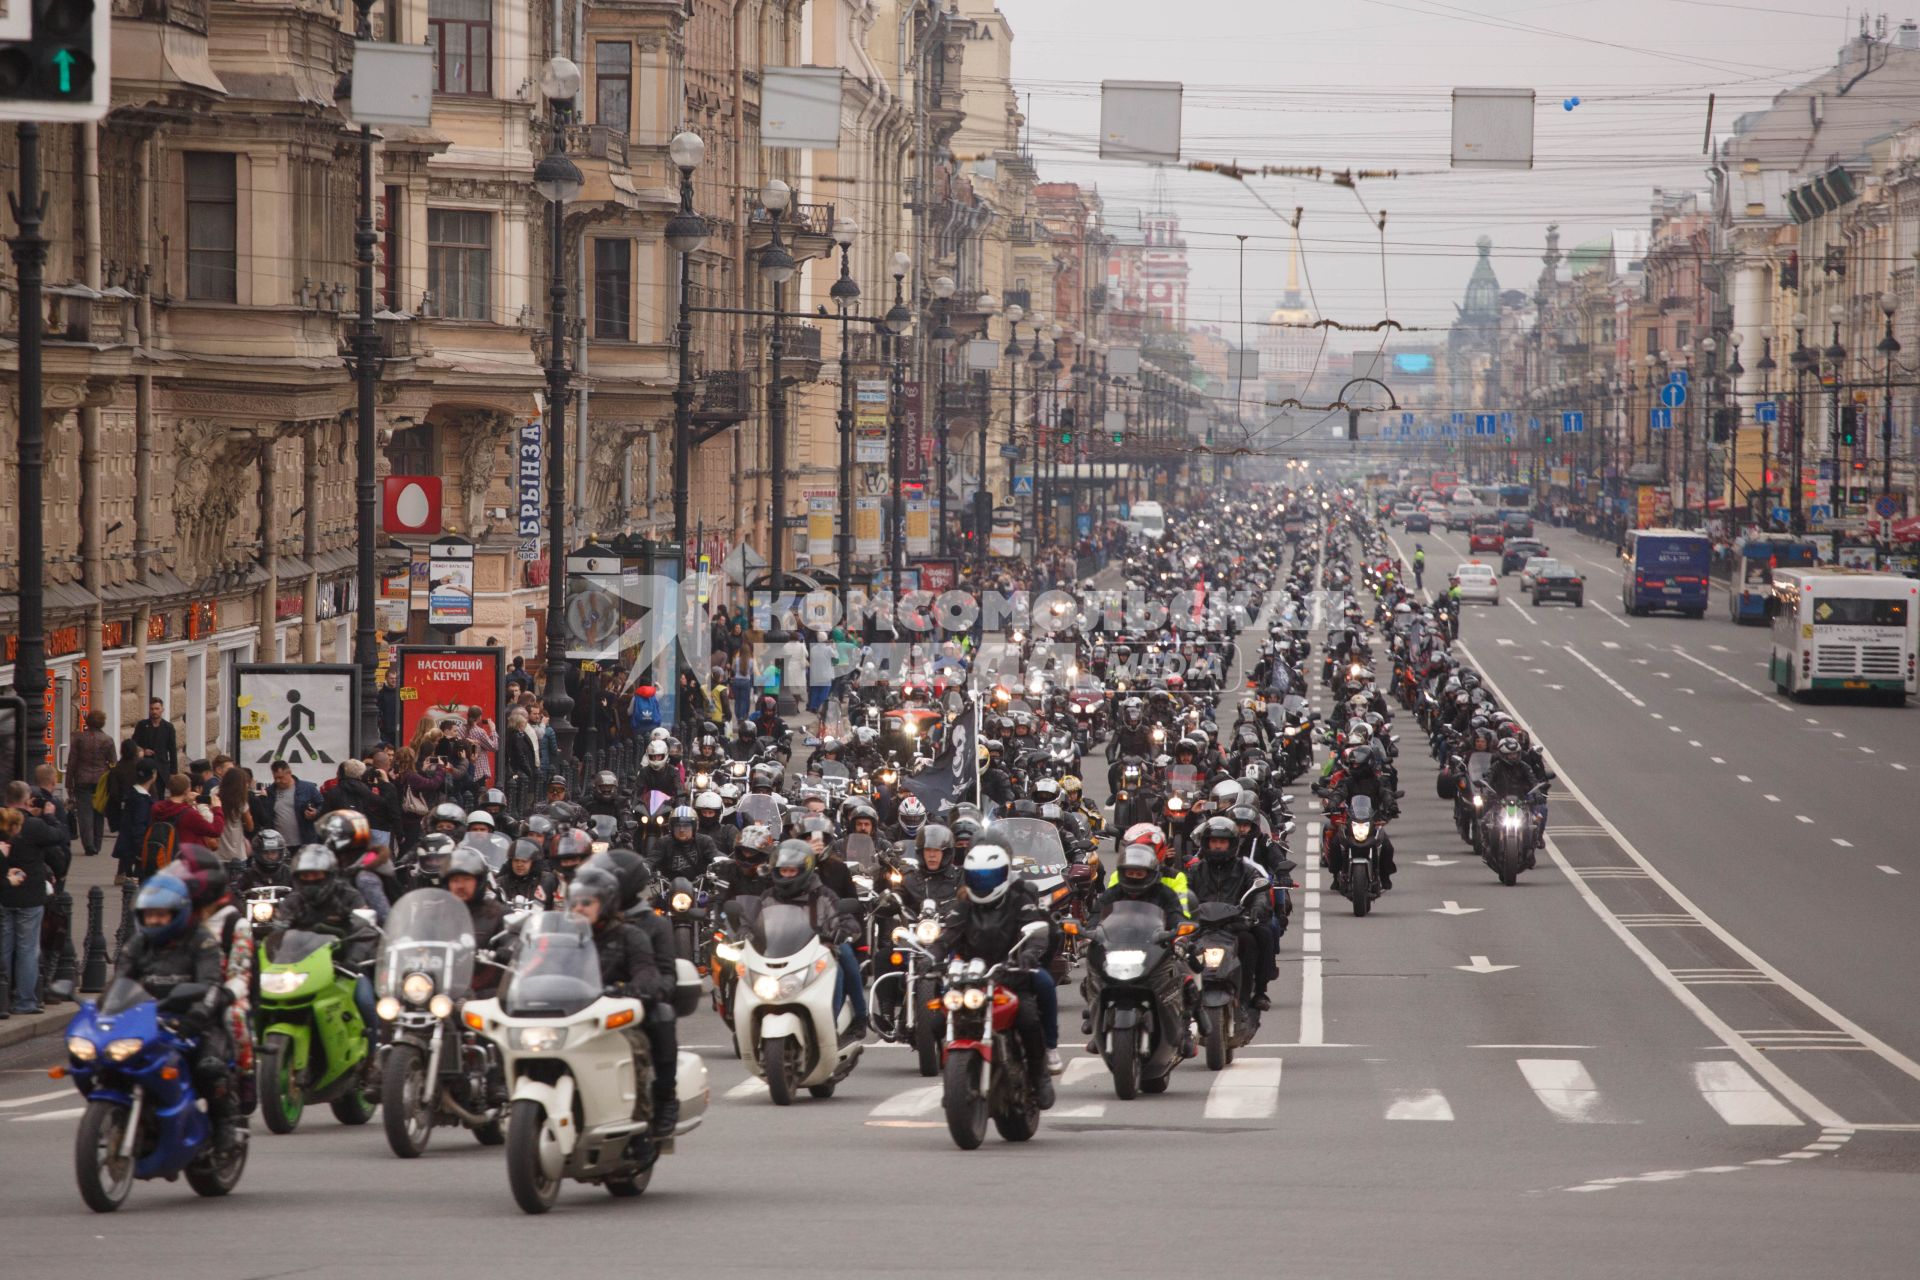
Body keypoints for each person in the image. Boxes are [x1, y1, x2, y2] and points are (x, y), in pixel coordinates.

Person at [112, 873, 242, 1147]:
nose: (154, 921)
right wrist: (105, 1011)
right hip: (148, 1020)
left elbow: (209, 984)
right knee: (107, 1062)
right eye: (149, 915)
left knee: (209, 1067)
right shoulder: (138, 944)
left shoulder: (201, 940)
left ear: (178, 914)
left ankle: (224, 1124)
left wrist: (197, 1015)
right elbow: (121, 982)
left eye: (161, 915)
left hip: (195, 1021)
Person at [933, 835, 1059, 1102]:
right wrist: (930, 955)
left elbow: (1035, 930)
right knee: (936, 1014)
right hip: (971, 978)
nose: (983, 883)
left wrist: (1029, 955)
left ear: (1003, 875)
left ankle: (1040, 1070)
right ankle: (953, 1076)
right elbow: (947, 937)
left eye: (989, 877)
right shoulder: (964, 905)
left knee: (1028, 1014)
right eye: (977, 878)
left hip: (1010, 974)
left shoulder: (1018, 898)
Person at [566, 866, 672, 1135]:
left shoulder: (630, 936)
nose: (579, 908)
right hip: (568, 1017)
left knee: (635, 1046)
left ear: (606, 904)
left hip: (610, 1016)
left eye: (587, 902)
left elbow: (647, 975)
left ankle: (643, 1122)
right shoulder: (561, 938)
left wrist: (625, 992)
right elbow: (534, 970)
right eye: (575, 902)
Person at [761, 840, 866, 1037]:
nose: (788, 875)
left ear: (804, 870)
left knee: (841, 965)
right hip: (777, 953)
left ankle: (842, 1020)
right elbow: (753, 920)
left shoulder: (823, 895)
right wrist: (741, 930)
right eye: (784, 871)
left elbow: (843, 916)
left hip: (817, 950)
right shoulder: (768, 897)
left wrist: (843, 929)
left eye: (793, 871)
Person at [1186, 816, 1275, 1011]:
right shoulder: (1194, 871)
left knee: (1259, 937)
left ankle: (1257, 991)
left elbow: (1260, 894)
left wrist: (1255, 912)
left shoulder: (1247, 870)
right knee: (1177, 948)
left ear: (1232, 844)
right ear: (1206, 843)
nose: (1217, 846)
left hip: (1234, 926)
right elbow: (1182, 894)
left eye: (1222, 842)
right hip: (1201, 926)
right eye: (1214, 841)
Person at [70, 709, 117, 858]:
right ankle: (97, 844)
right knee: (99, 812)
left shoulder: (79, 738)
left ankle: (88, 844)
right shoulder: (108, 740)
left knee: (84, 813)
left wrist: (68, 781)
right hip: (101, 780)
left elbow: (72, 761)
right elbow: (113, 762)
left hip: (82, 778)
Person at [259, 760, 321, 848]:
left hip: (304, 842)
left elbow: (323, 806)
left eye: (281, 777)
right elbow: (265, 817)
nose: (278, 781)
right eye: (275, 778)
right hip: (279, 845)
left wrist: (316, 813)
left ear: (289, 773)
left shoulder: (308, 788)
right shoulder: (270, 792)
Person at [215, 767, 255, 865]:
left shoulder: (215, 796)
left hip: (218, 853)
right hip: (237, 853)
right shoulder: (241, 802)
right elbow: (250, 827)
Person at [132, 698, 178, 781]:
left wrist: (173, 772)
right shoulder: (142, 725)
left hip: (161, 770)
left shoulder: (168, 727)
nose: (154, 711)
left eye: (157, 709)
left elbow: (173, 750)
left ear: (162, 710)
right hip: (144, 768)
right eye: (152, 709)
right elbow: (134, 744)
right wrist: (143, 750)